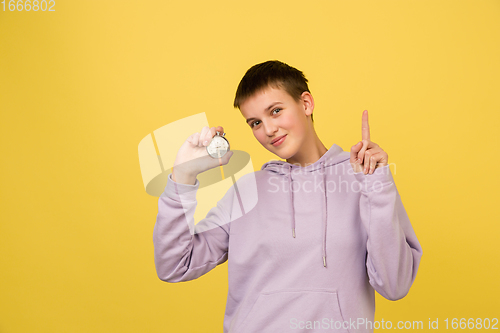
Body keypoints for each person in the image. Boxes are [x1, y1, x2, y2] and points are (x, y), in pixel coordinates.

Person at [153, 60, 423, 333]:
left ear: (306, 104)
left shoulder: (364, 179)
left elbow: (395, 284)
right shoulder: (245, 192)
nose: (268, 130)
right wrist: (182, 178)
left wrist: (376, 185)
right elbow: (175, 265)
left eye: (276, 111)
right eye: (255, 122)